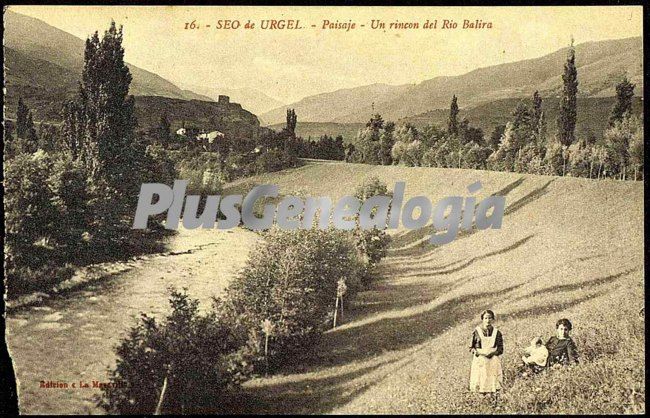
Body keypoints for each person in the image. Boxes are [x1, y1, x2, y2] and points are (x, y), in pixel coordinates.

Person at [469, 309, 504, 393]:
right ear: (482, 319)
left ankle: (494, 396)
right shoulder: (477, 332)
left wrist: (492, 353)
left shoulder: (497, 333)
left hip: (492, 360)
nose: (488, 320)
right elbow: (471, 348)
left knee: (493, 382)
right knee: (480, 380)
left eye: (490, 318)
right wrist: (478, 353)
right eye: (486, 318)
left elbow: (500, 349)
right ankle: (481, 396)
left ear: (493, 319)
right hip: (480, 360)